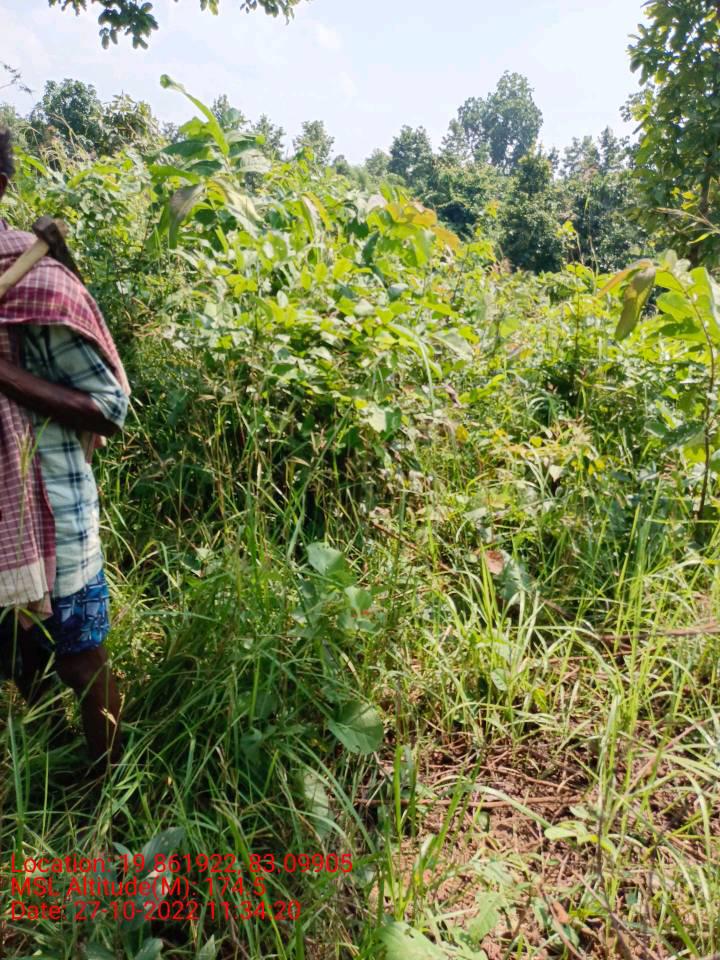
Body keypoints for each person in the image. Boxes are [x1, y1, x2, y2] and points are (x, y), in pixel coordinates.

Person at [0, 128, 130, 773]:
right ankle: (32, 759)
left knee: (79, 658)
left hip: (48, 509)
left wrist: (3, 373)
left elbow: (109, 407)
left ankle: (108, 787)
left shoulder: (38, 284)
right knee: (14, 655)